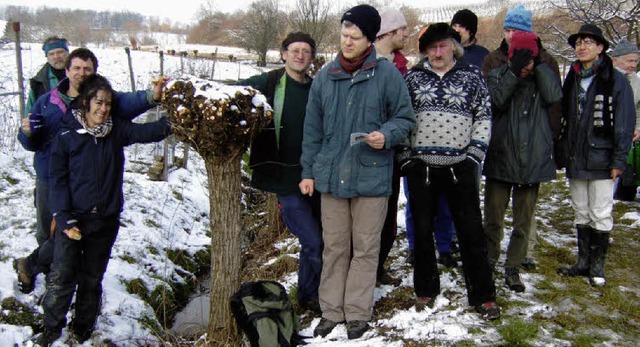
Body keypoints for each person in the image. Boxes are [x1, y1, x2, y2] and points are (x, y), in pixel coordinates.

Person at [299, 4, 415, 339]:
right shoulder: (325, 75)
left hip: (372, 176)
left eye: (355, 36)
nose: (347, 42)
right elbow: (312, 132)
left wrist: (386, 135)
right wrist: (308, 172)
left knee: (365, 247)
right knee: (334, 247)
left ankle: (357, 313)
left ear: (370, 39)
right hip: (332, 177)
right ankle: (331, 311)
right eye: (344, 35)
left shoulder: (388, 74)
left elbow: (405, 119)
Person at [14, 48, 165, 295]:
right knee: (50, 235)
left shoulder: (100, 100)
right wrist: (27, 131)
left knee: (71, 235)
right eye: (77, 68)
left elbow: (129, 102)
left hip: (85, 182)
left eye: (88, 69)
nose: (81, 73)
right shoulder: (46, 102)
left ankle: (60, 281)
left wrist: (151, 96)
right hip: (51, 179)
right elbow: (30, 141)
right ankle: (36, 270)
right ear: (67, 70)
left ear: (94, 72)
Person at [37, 74, 172, 345]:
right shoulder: (66, 136)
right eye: (98, 103)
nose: (103, 109)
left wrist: (176, 118)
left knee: (92, 278)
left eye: (108, 104)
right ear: (85, 103)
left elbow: (148, 132)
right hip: (73, 221)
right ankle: (51, 327)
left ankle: (83, 329)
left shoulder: (115, 131)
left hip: (105, 220)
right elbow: (58, 180)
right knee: (62, 276)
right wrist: (63, 218)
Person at [400, 22, 499, 320]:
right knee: (422, 227)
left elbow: (484, 115)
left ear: (454, 48)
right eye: (431, 47)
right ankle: (426, 290)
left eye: (442, 46)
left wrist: (474, 155)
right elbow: (401, 116)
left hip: (461, 167)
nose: (437, 52)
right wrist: (406, 157)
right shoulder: (413, 78)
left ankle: (483, 296)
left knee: (471, 232)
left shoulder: (471, 77)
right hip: (422, 168)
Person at [241, 32, 323, 314]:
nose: (300, 55)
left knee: (319, 239)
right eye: (294, 50)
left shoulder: (317, 87)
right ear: (284, 54)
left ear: (312, 57)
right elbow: (234, 90)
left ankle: (308, 293)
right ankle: (313, 294)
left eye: (306, 51)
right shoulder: (270, 83)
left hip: (315, 174)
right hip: (284, 179)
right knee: (313, 240)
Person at [481, 4, 563, 270]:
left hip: (533, 150)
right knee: (493, 214)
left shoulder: (547, 61)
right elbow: (496, 101)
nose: (511, 35)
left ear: (530, 33)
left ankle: (514, 265)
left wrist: (537, 63)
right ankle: (489, 258)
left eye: (517, 30)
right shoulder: (493, 60)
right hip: (502, 148)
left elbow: (553, 98)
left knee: (523, 218)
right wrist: (514, 70)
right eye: (507, 29)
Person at [556, 24, 635, 287]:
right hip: (577, 157)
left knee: (600, 211)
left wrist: (619, 160)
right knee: (581, 210)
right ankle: (583, 262)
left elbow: (624, 122)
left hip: (602, 157)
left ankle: (597, 265)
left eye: (588, 42)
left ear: (600, 48)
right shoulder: (574, 77)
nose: (582, 47)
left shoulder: (615, 79)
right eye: (579, 42)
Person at [374, 7, 412, 285]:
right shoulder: (368, 63)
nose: (406, 34)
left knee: (387, 218)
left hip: (393, 152)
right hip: (367, 153)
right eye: (402, 29)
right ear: (388, 32)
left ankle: (376, 268)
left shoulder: (401, 65)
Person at [610, 39, 640, 201]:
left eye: (636, 61)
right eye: (629, 60)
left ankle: (624, 192)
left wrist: (637, 127)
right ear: (615, 60)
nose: (633, 64)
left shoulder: (636, 80)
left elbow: (639, 107)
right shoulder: (606, 77)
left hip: (627, 134)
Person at [25, 36, 69, 116]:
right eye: (51, 54)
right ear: (47, 57)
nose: (56, 57)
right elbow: (29, 115)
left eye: (60, 52)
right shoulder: (38, 82)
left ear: (67, 53)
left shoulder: (80, 75)